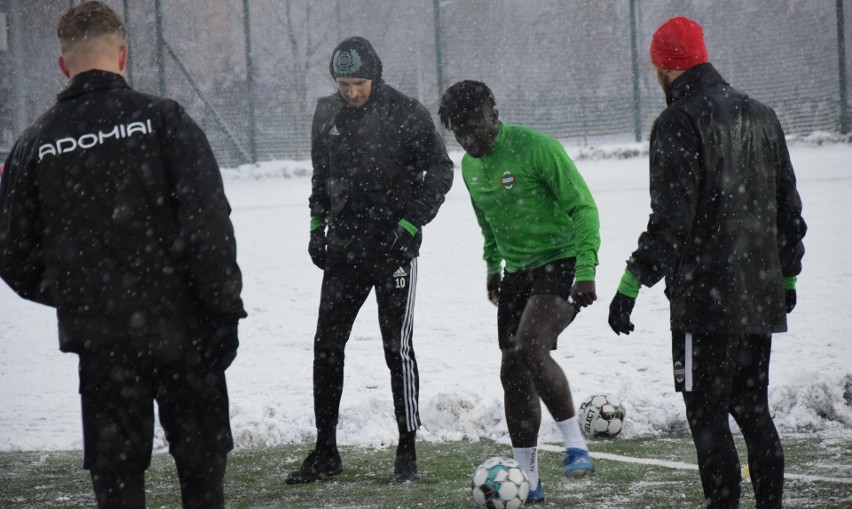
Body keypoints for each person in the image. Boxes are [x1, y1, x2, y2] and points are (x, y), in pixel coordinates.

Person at [0, 2, 246, 508]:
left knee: (117, 483)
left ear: (63, 64)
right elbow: (209, 223)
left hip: (103, 343)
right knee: (201, 475)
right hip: (186, 332)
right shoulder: (162, 119)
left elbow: (13, 255)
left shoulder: (37, 142)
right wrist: (223, 310)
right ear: (124, 54)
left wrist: (81, 292)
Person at [607, 16, 807, 509]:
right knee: (754, 411)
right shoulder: (762, 114)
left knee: (708, 416)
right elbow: (789, 211)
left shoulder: (678, 121)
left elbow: (672, 219)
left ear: (663, 67)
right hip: (759, 292)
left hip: (704, 302)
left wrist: (632, 282)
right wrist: (787, 276)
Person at [284, 36, 453, 485]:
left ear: (374, 76)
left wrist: (411, 224)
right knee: (326, 347)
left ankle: (407, 450)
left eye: (358, 83)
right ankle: (326, 451)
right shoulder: (326, 113)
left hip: (393, 251)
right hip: (343, 250)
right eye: (343, 83)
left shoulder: (406, 112)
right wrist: (315, 229)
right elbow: (321, 176)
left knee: (396, 349)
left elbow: (440, 170)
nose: (351, 92)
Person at [439, 80, 600, 503]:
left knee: (530, 346)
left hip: (563, 261)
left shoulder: (536, 148)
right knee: (511, 370)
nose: (469, 138)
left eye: (475, 125)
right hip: (518, 273)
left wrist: (585, 269)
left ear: (494, 112)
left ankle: (575, 445)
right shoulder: (471, 168)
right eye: (459, 131)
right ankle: (528, 479)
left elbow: (583, 206)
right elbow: (487, 222)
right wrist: (493, 266)